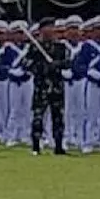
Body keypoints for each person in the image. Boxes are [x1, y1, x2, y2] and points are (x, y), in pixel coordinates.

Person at [28, 17, 68, 155]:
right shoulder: (35, 46)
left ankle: (58, 144)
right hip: (41, 86)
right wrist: (41, 66)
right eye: (47, 27)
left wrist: (57, 64)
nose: (50, 30)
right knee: (38, 116)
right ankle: (36, 145)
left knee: (58, 116)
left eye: (52, 27)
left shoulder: (60, 46)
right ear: (41, 30)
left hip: (56, 85)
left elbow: (67, 63)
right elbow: (27, 63)